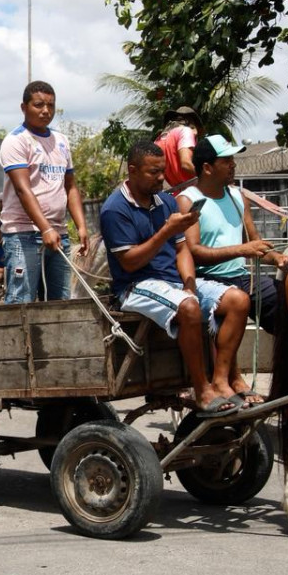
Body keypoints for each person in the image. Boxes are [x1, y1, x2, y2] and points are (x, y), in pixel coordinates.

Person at [99, 140, 254, 415]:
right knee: (188, 307)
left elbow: (183, 250)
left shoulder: (166, 201)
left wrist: (190, 283)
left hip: (171, 282)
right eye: (153, 172)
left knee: (238, 300)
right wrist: (165, 232)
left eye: (163, 171)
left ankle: (222, 380)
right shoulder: (115, 209)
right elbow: (130, 262)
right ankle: (202, 390)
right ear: (132, 170)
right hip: (135, 286)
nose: (161, 178)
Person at [176, 134, 288, 335]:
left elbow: (254, 243)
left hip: (243, 277)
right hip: (206, 279)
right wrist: (242, 250)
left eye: (232, 160)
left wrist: (278, 258)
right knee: (223, 332)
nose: (233, 165)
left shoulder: (238, 197)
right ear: (207, 168)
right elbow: (193, 252)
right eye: (226, 161)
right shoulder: (187, 200)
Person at [0, 80, 89, 303]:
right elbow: (22, 189)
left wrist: (81, 226)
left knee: (60, 303)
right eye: (38, 105)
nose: (46, 110)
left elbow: (70, 187)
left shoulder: (61, 141)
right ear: (24, 107)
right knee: (22, 303)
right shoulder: (17, 141)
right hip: (23, 234)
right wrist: (45, 228)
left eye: (50, 105)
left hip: (58, 235)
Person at [154, 106, 204, 189]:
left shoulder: (158, 140)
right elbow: (186, 164)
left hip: (177, 193)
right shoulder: (185, 131)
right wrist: (208, 176)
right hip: (193, 192)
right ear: (191, 123)